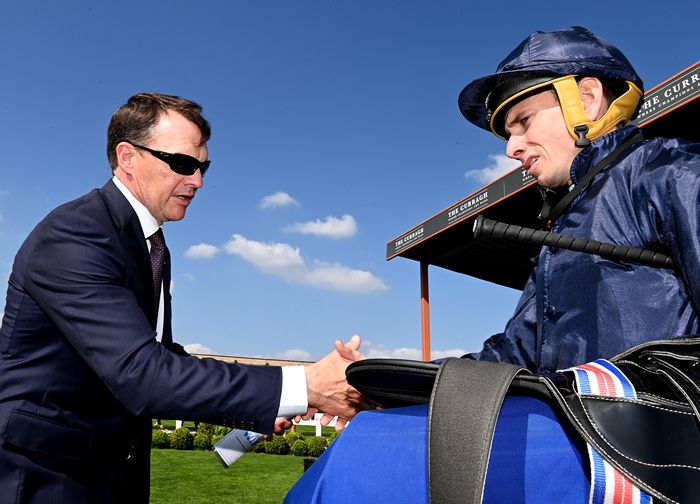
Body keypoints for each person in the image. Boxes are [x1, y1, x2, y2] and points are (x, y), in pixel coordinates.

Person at [286, 26, 700, 502]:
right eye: (508, 133)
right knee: (372, 436)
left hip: (645, 446)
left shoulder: (675, 172)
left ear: (586, 99)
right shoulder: (560, 235)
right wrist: (387, 385)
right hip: (570, 427)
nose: (510, 148)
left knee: (372, 459)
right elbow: (507, 357)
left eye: (522, 121)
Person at [0, 92, 367, 503]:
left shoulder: (152, 246)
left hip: (106, 477)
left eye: (203, 166)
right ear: (127, 156)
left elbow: (165, 360)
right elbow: (142, 373)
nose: (198, 181)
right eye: (183, 164)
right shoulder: (76, 234)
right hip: (42, 478)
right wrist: (305, 385)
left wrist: (271, 401)